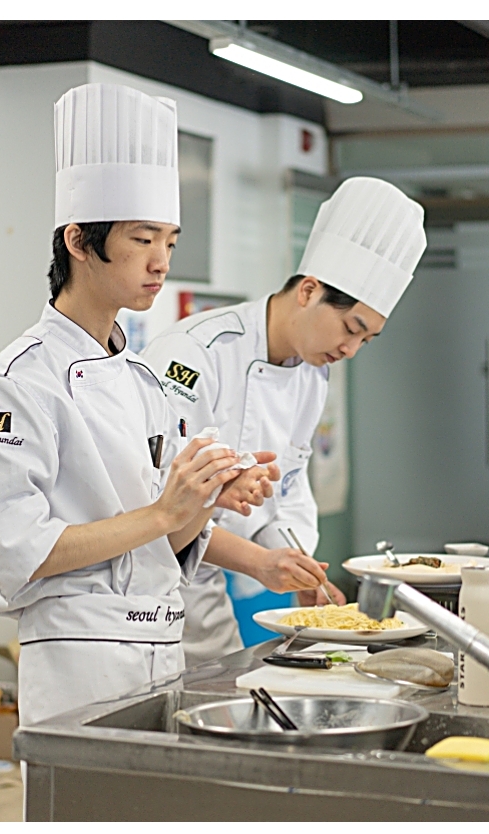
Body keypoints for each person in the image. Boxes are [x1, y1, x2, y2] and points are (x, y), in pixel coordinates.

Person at [0, 83, 278, 726]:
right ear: (78, 241)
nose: (161, 262)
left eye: (170, 243)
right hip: (78, 661)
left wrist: (205, 496)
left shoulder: (144, 382)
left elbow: (165, 539)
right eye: (142, 240)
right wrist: (164, 511)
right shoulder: (17, 384)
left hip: (162, 647)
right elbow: (22, 550)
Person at [142, 177, 428, 665]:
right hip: (150, 591)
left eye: (366, 341)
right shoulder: (195, 354)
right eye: (351, 329)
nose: (350, 350)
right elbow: (157, 504)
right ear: (309, 291)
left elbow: (289, 490)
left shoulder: (312, 373)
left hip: (211, 597)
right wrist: (260, 563)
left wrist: (297, 566)